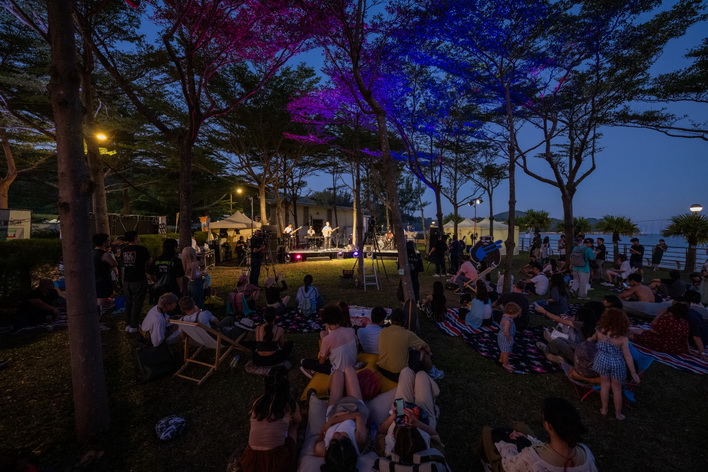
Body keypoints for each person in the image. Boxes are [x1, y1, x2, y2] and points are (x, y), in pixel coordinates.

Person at [483, 397, 597, 472]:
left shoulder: (532, 458)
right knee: (520, 426)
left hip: (512, 464)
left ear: (548, 426)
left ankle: (485, 464)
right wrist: (526, 439)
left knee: (487, 431)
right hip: (540, 451)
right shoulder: (586, 454)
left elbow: (509, 466)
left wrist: (510, 445)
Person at [236, 366, 301, 472]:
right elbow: (298, 420)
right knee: (295, 425)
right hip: (275, 461)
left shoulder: (258, 402)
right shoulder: (290, 404)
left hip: (251, 459)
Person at [377, 367, 442, 460]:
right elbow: (434, 435)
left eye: (402, 426)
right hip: (425, 421)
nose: (405, 423)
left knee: (406, 371)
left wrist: (393, 416)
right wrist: (417, 423)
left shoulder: (387, 449)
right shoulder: (430, 452)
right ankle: (432, 403)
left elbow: (380, 432)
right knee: (421, 375)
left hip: (399, 415)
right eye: (410, 427)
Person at [588, 308, 639, 420]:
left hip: (602, 360)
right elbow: (627, 355)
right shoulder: (622, 338)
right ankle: (618, 414)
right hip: (616, 363)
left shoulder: (599, 330)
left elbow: (592, 338)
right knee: (616, 389)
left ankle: (604, 409)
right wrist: (633, 372)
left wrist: (589, 340)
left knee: (605, 385)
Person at [314, 366, 369, 467]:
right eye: (343, 438)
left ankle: (335, 390)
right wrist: (332, 422)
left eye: (333, 441)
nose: (336, 435)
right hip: (354, 406)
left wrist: (334, 418)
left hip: (334, 410)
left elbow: (320, 438)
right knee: (348, 369)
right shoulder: (359, 440)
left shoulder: (321, 449)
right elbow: (358, 416)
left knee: (337, 373)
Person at [378, 309, 443, 381]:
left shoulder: (383, 331)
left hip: (382, 370)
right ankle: (433, 372)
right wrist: (429, 354)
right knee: (423, 351)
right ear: (405, 322)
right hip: (399, 375)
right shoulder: (408, 334)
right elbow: (426, 346)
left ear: (391, 321)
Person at [300, 304, 357, 377]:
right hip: (352, 364)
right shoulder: (351, 331)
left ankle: (312, 372)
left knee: (304, 362)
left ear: (326, 322)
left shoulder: (327, 339)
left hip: (338, 370)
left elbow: (321, 361)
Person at [121, 231, 152, 333]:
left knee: (128, 302)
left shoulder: (124, 249)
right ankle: (133, 325)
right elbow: (150, 261)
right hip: (138, 278)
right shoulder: (142, 249)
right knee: (137, 302)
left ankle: (128, 323)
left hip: (127, 279)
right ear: (135, 237)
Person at [149, 238, 184, 303]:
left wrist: (155, 281)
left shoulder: (157, 259)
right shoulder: (176, 261)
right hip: (173, 289)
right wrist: (181, 290)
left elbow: (149, 272)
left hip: (159, 289)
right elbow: (178, 277)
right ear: (174, 248)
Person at [93, 233, 117, 308]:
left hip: (94, 279)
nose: (109, 241)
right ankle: (98, 313)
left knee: (97, 298)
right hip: (103, 279)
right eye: (108, 240)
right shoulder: (105, 254)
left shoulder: (91, 253)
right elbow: (114, 264)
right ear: (104, 242)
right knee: (102, 300)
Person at [497, 302, 521, 372]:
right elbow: (506, 331)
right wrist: (509, 338)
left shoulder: (505, 315)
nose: (517, 315)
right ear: (513, 313)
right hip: (505, 338)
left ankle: (501, 359)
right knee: (506, 352)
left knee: (503, 350)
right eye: (517, 314)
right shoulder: (508, 321)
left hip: (501, 336)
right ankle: (505, 364)